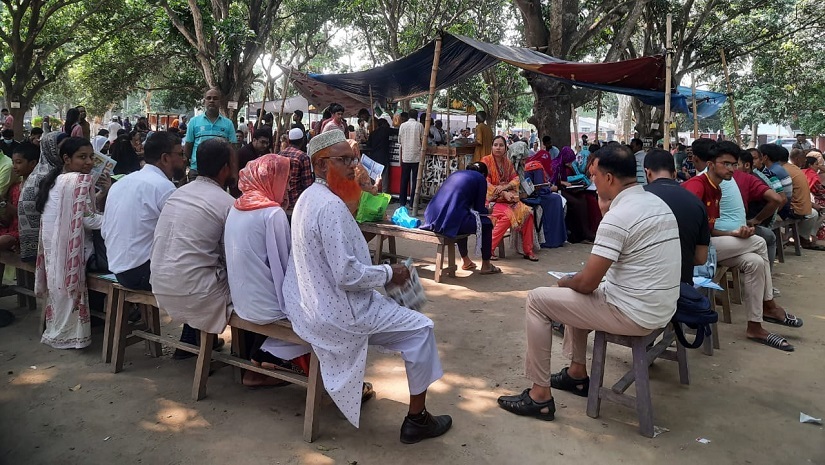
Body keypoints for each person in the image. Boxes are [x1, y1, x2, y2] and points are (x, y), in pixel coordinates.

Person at [282, 129, 452, 444]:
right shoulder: (329, 206)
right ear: (321, 166)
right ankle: (418, 420)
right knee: (422, 328)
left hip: (308, 304)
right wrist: (390, 273)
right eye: (343, 160)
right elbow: (346, 275)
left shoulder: (309, 197)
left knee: (395, 307)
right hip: (338, 313)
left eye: (354, 160)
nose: (352, 167)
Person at [497, 144, 680, 419]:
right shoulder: (655, 203)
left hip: (635, 312)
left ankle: (539, 396)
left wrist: (567, 282)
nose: (590, 180)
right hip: (660, 306)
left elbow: (587, 284)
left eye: (594, 175)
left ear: (608, 178)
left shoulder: (620, 216)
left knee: (539, 299)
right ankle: (577, 373)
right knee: (575, 295)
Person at [683, 140, 800, 351]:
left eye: (733, 164)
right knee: (759, 242)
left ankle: (755, 325)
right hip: (694, 252)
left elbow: (710, 228)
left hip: (713, 245)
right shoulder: (697, 185)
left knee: (754, 261)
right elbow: (688, 228)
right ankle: (769, 304)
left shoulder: (717, 188)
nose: (731, 169)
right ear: (710, 163)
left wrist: (734, 233)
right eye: (726, 164)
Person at [224, 154, 312, 386]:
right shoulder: (272, 213)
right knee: (325, 320)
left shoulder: (237, 206)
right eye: (283, 179)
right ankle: (266, 356)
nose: (286, 185)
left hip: (241, 301)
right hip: (265, 308)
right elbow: (285, 267)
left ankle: (263, 360)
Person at [151, 138, 235, 357]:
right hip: (194, 293)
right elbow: (232, 260)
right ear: (226, 168)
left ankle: (191, 339)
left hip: (160, 284)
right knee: (251, 287)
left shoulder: (178, 193)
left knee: (198, 266)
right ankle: (248, 357)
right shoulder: (226, 203)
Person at [35, 137, 110, 349]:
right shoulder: (77, 181)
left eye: (91, 158)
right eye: (82, 157)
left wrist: (102, 193)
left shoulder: (57, 179)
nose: (88, 162)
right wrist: (116, 221)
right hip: (73, 249)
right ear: (66, 159)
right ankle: (75, 333)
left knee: (60, 289)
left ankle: (61, 329)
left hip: (55, 248)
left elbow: (80, 212)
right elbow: (87, 219)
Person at [102, 132, 185, 291]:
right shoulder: (163, 187)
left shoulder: (123, 181)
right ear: (165, 158)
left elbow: (106, 231)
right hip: (141, 272)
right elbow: (180, 235)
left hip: (117, 266)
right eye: (180, 154)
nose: (184, 159)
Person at [644, 149, 710, 284]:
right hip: (682, 287)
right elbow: (701, 258)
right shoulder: (696, 203)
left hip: (644, 287)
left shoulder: (635, 198)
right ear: (674, 174)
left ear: (647, 172)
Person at [422, 163, 500, 275]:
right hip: (449, 219)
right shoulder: (480, 179)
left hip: (431, 217)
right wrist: (489, 210)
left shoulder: (457, 173)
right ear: (484, 174)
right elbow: (479, 209)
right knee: (487, 225)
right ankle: (486, 265)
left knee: (462, 219)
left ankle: (466, 260)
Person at [481, 136, 538, 261]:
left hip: (506, 200)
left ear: (506, 148)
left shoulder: (507, 163)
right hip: (490, 201)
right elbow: (486, 184)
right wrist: (503, 194)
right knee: (508, 216)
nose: (498, 148)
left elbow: (516, 179)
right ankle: (488, 249)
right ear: (491, 147)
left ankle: (528, 250)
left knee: (528, 213)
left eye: (501, 145)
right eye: (495, 145)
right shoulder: (486, 161)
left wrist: (506, 188)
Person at [736, 149, 785, 273]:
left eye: (734, 164)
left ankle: (765, 277)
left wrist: (757, 219)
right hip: (738, 226)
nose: (731, 169)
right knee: (769, 238)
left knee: (768, 237)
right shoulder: (755, 176)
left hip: (749, 224)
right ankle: (766, 279)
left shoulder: (749, 178)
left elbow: (779, 200)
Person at [184, 88, 237, 178]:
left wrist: (234, 173)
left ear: (220, 102)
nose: (212, 101)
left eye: (215, 98)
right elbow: (188, 147)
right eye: (209, 98)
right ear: (204, 101)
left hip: (219, 173)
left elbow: (232, 151)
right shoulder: (194, 122)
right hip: (197, 171)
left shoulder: (228, 124)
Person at [783, 147, 824, 250]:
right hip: (793, 205)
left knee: (815, 212)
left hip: (803, 202)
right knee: (813, 213)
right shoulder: (792, 170)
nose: (805, 160)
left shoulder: (798, 170)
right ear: (797, 159)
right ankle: (803, 238)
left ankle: (799, 236)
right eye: (803, 158)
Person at [281, 128, 313, 207]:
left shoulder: (280, 154)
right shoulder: (303, 157)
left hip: (281, 201)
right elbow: (307, 184)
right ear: (302, 141)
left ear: (289, 141)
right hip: (296, 202)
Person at [398, 111, 424, 207]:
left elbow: (399, 140)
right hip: (416, 157)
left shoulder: (402, 126)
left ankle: (402, 202)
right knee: (415, 181)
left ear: (408, 116)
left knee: (404, 180)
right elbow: (423, 140)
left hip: (406, 157)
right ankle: (413, 203)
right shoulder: (420, 125)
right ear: (416, 116)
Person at [367, 117, 392, 194]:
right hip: (384, 157)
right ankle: (384, 194)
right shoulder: (386, 131)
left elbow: (369, 145)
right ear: (384, 124)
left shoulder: (373, 133)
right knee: (384, 177)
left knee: (373, 177)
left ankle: (372, 192)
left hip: (374, 157)